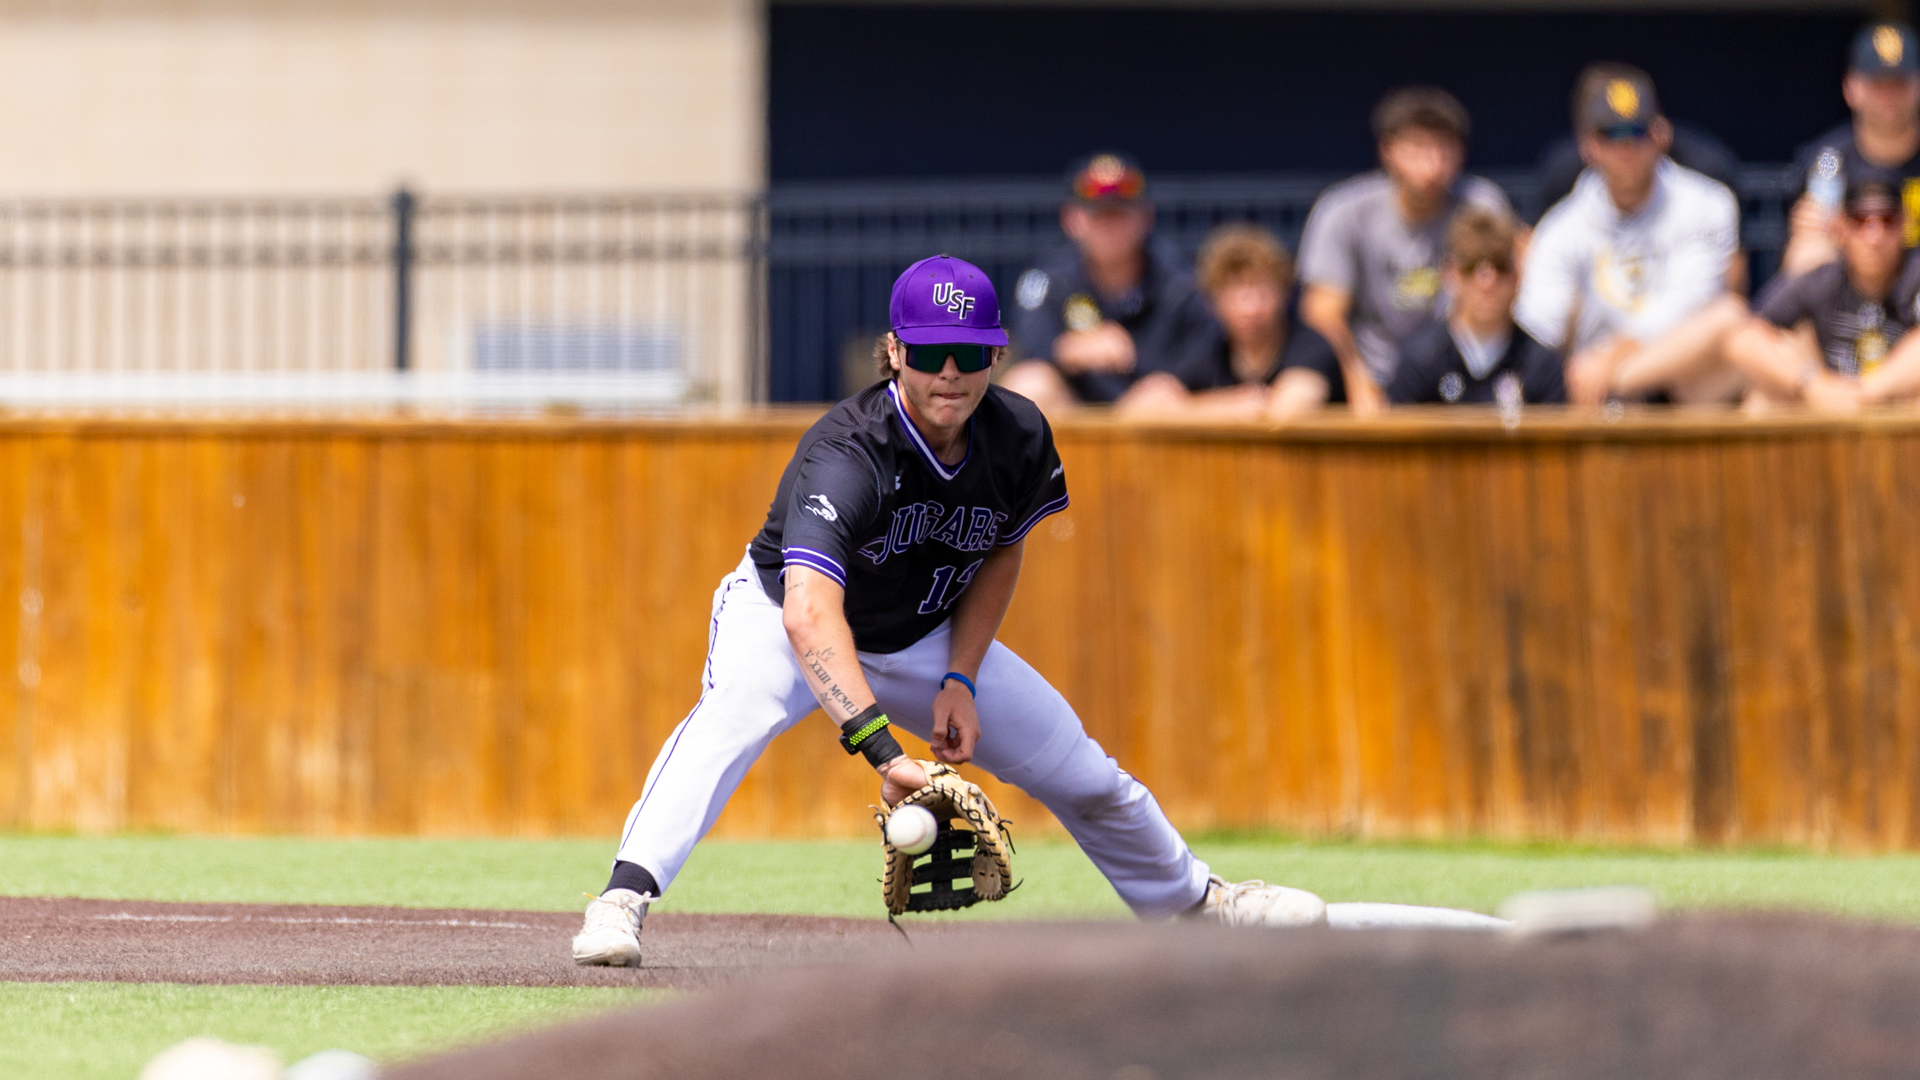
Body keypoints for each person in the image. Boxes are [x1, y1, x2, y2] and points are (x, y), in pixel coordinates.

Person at [571, 255, 1326, 968]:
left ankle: (1198, 906)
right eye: (931, 352)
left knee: (1082, 770)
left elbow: (1001, 549)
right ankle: (621, 898)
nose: (951, 372)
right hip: (783, 619)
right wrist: (882, 751)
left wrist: (961, 677)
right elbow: (809, 614)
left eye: (970, 351)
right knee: (732, 717)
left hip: (922, 634)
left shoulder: (1019, 433)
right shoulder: (849, 451)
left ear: (997, 354)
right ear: (894, 352)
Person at [1515, 63, 1748, 406]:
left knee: (1731, 320)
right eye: (1610, 135)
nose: (1625, 148)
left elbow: (1691, 302)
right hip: (1588, 393)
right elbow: (1539, 323)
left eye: (1637, 131)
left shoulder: (1707, 202)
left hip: (1681, 385)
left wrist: (1613, 361)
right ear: (1587, 145)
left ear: (1660, 135)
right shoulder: (1561, 226)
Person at [1296, 87, 1511, 416]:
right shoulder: (1343, 211)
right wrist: (1357, 379)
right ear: (1387, 151)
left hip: (1460, 372)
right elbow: (1322, 311)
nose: (1432, 164)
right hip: (1372, 375)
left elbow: (1508, 281)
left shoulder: (1482, 205)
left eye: (1444, 148)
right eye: (1418, 147)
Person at [1001, 154, 1218, 415]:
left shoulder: (1180, 282)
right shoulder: (1049, 280)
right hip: (1078, 413)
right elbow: (1028, 344)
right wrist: (1071, 347)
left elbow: (1207, 347)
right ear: (1072, 219)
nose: (1109, 228)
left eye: (1120, 215)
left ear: (1146, 217)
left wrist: (1170, 382)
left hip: (1162, 419)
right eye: (1098, 216)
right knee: (1029, 383)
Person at [1726, 171, 1920, 412]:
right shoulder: (1824, 279)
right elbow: (1744, 339)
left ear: (1904, 225)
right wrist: (1812, 384)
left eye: (1887, 220)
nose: (1874, 236)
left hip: (1897, 407)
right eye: (1860, 220)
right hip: (1828, 406)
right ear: (1841, 227)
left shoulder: (1915, 273)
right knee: (1761, 399)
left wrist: (1865, 392)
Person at [1116, 222, 1342, 419]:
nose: (1251, 308)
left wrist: (1185, 408)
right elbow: (1137, 408)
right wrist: (1230, 405)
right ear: (1214, 303)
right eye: (1235, 296)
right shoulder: (1211, 350)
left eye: (1263, 292)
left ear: (1284, 292)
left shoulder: (1311, 345)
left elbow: (1286, 412)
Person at [1781, 22, 1920, 277]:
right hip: (1852, 288)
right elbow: (1812, 233)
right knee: (1808, 252)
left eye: (1898, 84)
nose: (1888, 96)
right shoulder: (1827, 159)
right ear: (1851, 88)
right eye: (1878, 84)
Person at [1388, 208, 1566, 406]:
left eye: (1500, 266)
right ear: (1450, 273)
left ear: (1518, 275)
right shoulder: (1420, 362)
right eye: (1471, 266)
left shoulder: (1542, 366)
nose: (1487, 282)